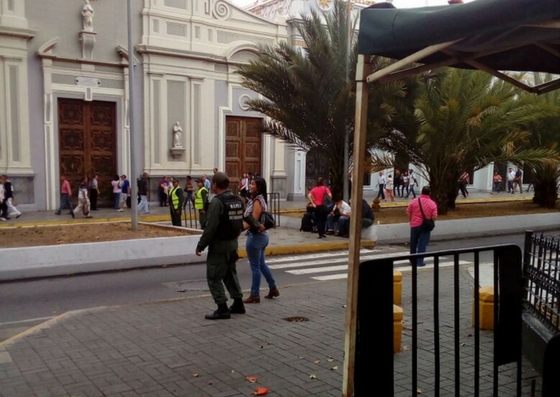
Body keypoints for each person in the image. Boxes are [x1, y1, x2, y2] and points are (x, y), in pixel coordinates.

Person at [195, 172, 246, 320]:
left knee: (214, 277)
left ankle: (222, 308)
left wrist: (201, 245)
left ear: (215, 185)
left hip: (219, 246)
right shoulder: (237, 199)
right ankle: (238, 303)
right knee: (230, 274)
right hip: (233, 244)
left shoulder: (217, 202)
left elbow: (210, 228)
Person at [242, 177, 279, 303]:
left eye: (252, 184)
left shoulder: (257, 201)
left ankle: (255, 294)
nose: (250, 186)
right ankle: (273, 287)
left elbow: (253, 221)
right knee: (261, 264)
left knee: (255, 267)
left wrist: (238, 229)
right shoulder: (259, 199)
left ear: (258, 187)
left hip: (256, 237)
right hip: (263, 236)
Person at [407, 186, 438, 267]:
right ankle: (420, 261)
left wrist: (411, 220)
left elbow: (408, 212)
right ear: (429, 193)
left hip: (414, 225)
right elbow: (434, 217)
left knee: (413, 243)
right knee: (422, 243)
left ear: (421, 192)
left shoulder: (414, 201)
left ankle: (412, 259)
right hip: (425, 227)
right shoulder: (432, 203)